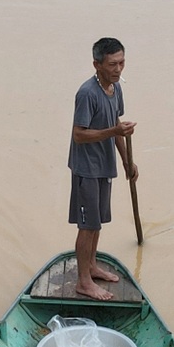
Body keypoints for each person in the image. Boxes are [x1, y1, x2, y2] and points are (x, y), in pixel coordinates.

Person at [69, 37, 137, 300]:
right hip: (86, 168)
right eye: (112, 64)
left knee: (96, 223)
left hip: (104, 165)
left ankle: (91, 266)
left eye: (121, 63)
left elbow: (115, 122)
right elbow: (79, 135)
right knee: (87, 225)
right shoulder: (87, 93)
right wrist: (114, 131)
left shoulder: (115, 88)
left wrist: (127, 161)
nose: (118, 69)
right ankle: (83, 282)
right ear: (97, 65)